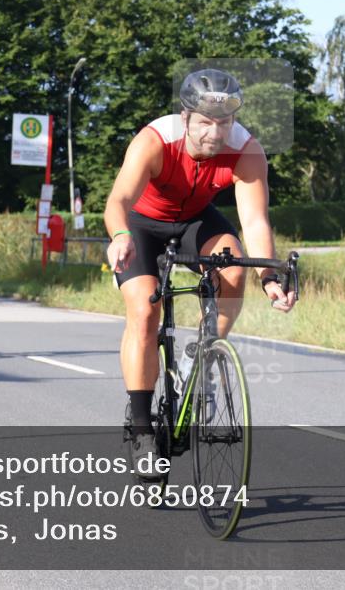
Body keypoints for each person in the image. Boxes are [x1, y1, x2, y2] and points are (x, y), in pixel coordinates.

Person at [104, 69, 297, 476]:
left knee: (234, 265)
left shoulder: (246, 151)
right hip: (141, 224)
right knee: (144, 311)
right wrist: (121, 235)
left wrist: (269, 277)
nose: (215, 133)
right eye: (206, 122)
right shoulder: (155, 141)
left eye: (224, 123)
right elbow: (118, 199)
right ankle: (141, 431)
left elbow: (256, 222)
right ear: (186, 117)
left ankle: (203, 355)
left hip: (195, 221)